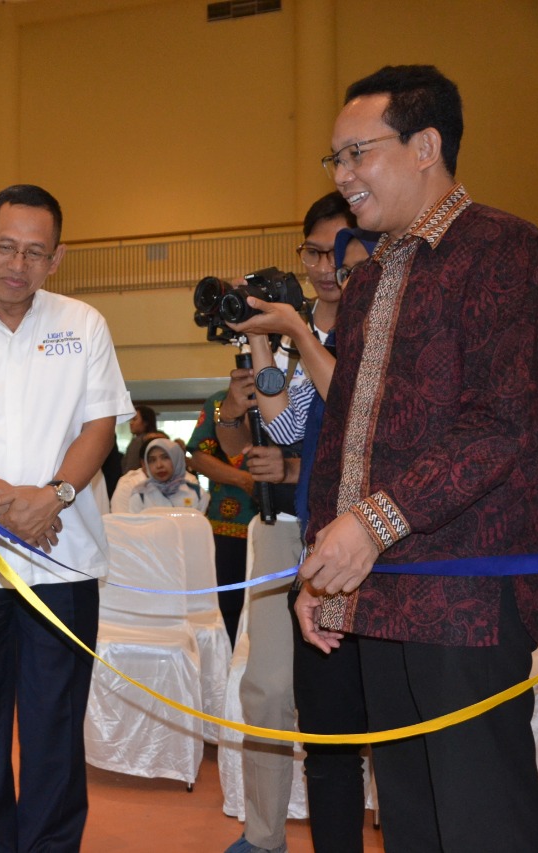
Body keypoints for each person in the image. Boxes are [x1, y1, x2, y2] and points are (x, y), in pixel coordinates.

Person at [296, 65, 538, 852]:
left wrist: (370, 525)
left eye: (357, 154)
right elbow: (344, 430)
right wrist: (320, 562)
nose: (343, 178)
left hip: (469, 602)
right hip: (385, 594)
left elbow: (501, 425)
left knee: (483, 818)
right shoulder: (372, 276)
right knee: (408, 817)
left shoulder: (508, 251)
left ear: (425, 146)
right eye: (334, 160)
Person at [0, 184, 133, 852]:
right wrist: (6, 501)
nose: (17, 263)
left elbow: (100, 423)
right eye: (5, 246)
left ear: (57, 258)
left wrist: (55, 495)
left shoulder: (84, 324)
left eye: (35, 252)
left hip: (63, 562)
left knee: (54, 732)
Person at [223, 226, 376, 853]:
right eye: (313, 252)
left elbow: (357, 402)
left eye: (338, 253)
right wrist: (264, 340)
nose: (324, 266)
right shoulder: (295, 325)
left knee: (374, 697)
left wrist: (294, 334)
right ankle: (264, 835)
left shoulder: (374, 318)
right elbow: (284, 422)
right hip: (294, 530)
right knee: (272, 690)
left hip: (371, 533)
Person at [186, 392, 257, 645]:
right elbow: (198, 457)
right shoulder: (218, 403)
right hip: (228, 527)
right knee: (228, 606)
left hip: (286, 522)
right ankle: (228, 673)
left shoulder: (293, 392)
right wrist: (244, 480)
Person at [119, 437, 207, 515]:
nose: (159, 465)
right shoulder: (140, 495)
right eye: (152, 460)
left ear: (176, 458)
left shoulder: (197, 493)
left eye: (165, 457)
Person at [119, 403, 157, 474]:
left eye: (134, 419)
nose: (131, 423)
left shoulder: (138, 441)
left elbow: (131, 469)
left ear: (145, 422)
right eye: (131, 420)